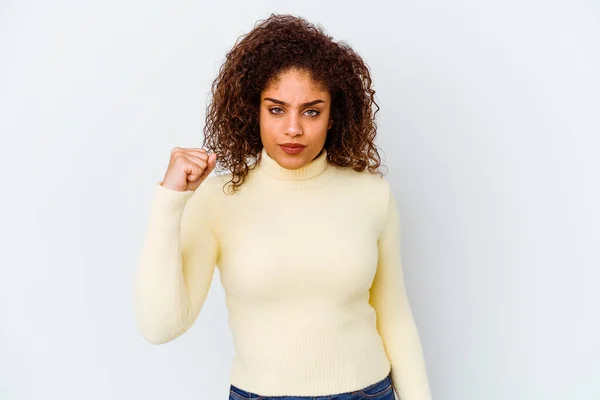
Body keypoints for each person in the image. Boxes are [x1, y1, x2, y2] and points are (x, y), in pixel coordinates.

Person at [134, 13, 432, 400]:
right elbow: (160, 327)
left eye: (312, 110)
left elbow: (395, 319)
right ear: (251, 111)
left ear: (332, 116)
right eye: (276, 109)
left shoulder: (371, 194)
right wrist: (169, 201)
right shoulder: (217, 200)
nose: (293, 128)